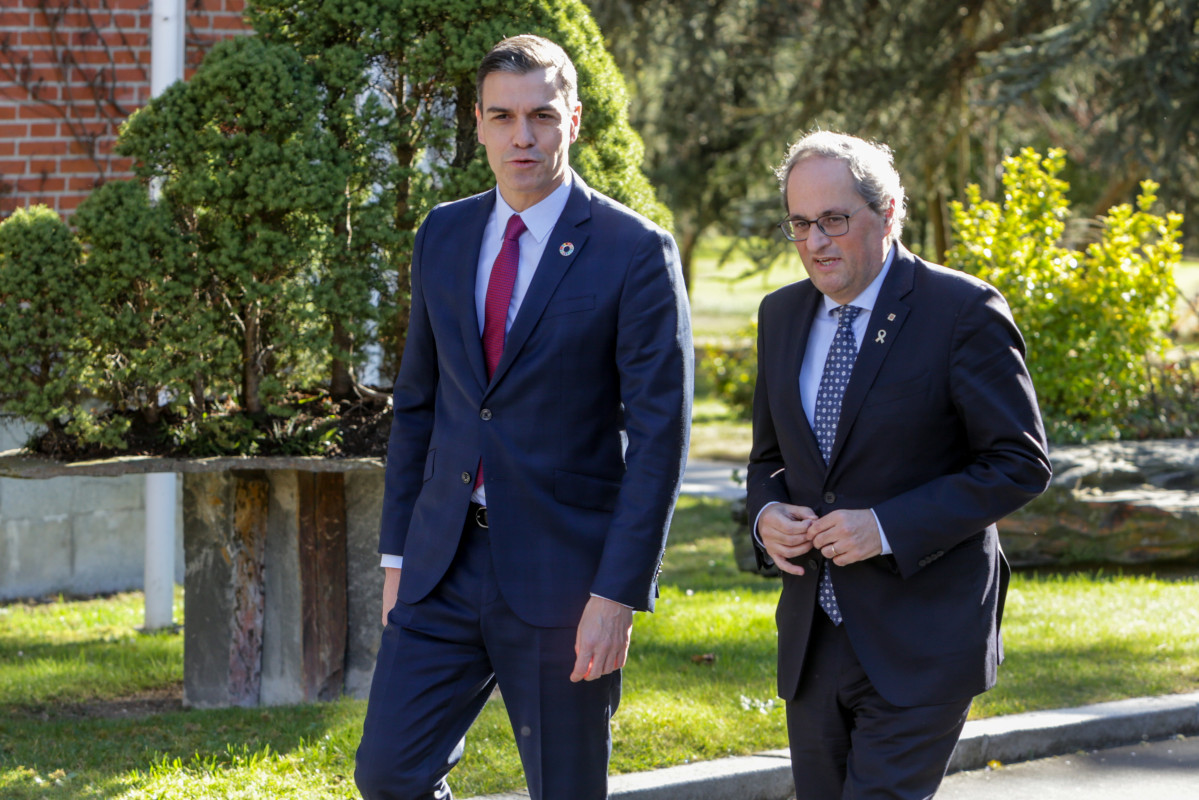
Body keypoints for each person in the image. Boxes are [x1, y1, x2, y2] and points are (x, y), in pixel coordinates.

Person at [354, 34, 692, 800]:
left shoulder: (633, 250)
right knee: (388, 774)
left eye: (541, 115)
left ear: (573, 118)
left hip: (563, 577)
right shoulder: (442, 232)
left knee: (566, 788)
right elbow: (418, 405)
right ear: (476, 123)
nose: (523, 136)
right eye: (502, 117)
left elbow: (659, 438)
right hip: (439, 565)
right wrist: (398, 557)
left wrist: (617, 594)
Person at [747, 130, 1051, 799]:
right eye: (800, 224)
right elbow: (770, 457)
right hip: (812, 636)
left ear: (886, 214)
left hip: (923, 634)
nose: (816, 242)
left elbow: (1018, 462)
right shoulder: (780, 315)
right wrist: (766, 516)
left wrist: (883, 527)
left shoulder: (961, 311)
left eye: (833, 220)